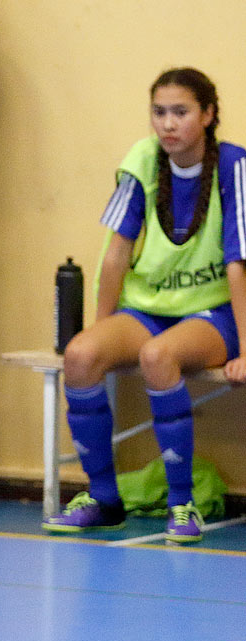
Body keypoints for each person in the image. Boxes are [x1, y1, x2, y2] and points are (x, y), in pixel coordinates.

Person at [43, 69, 246, 544]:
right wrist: (99, 334)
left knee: (160, 356)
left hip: (210, 314)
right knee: (80, 355)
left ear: (209, 115)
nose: (168, 124)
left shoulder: (233, 166)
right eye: (160, 112)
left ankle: (182, 504)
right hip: (147, 308)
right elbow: (116, 254)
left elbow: (239, 267)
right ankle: (104, 500)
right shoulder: (142, 161)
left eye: (181, 112)